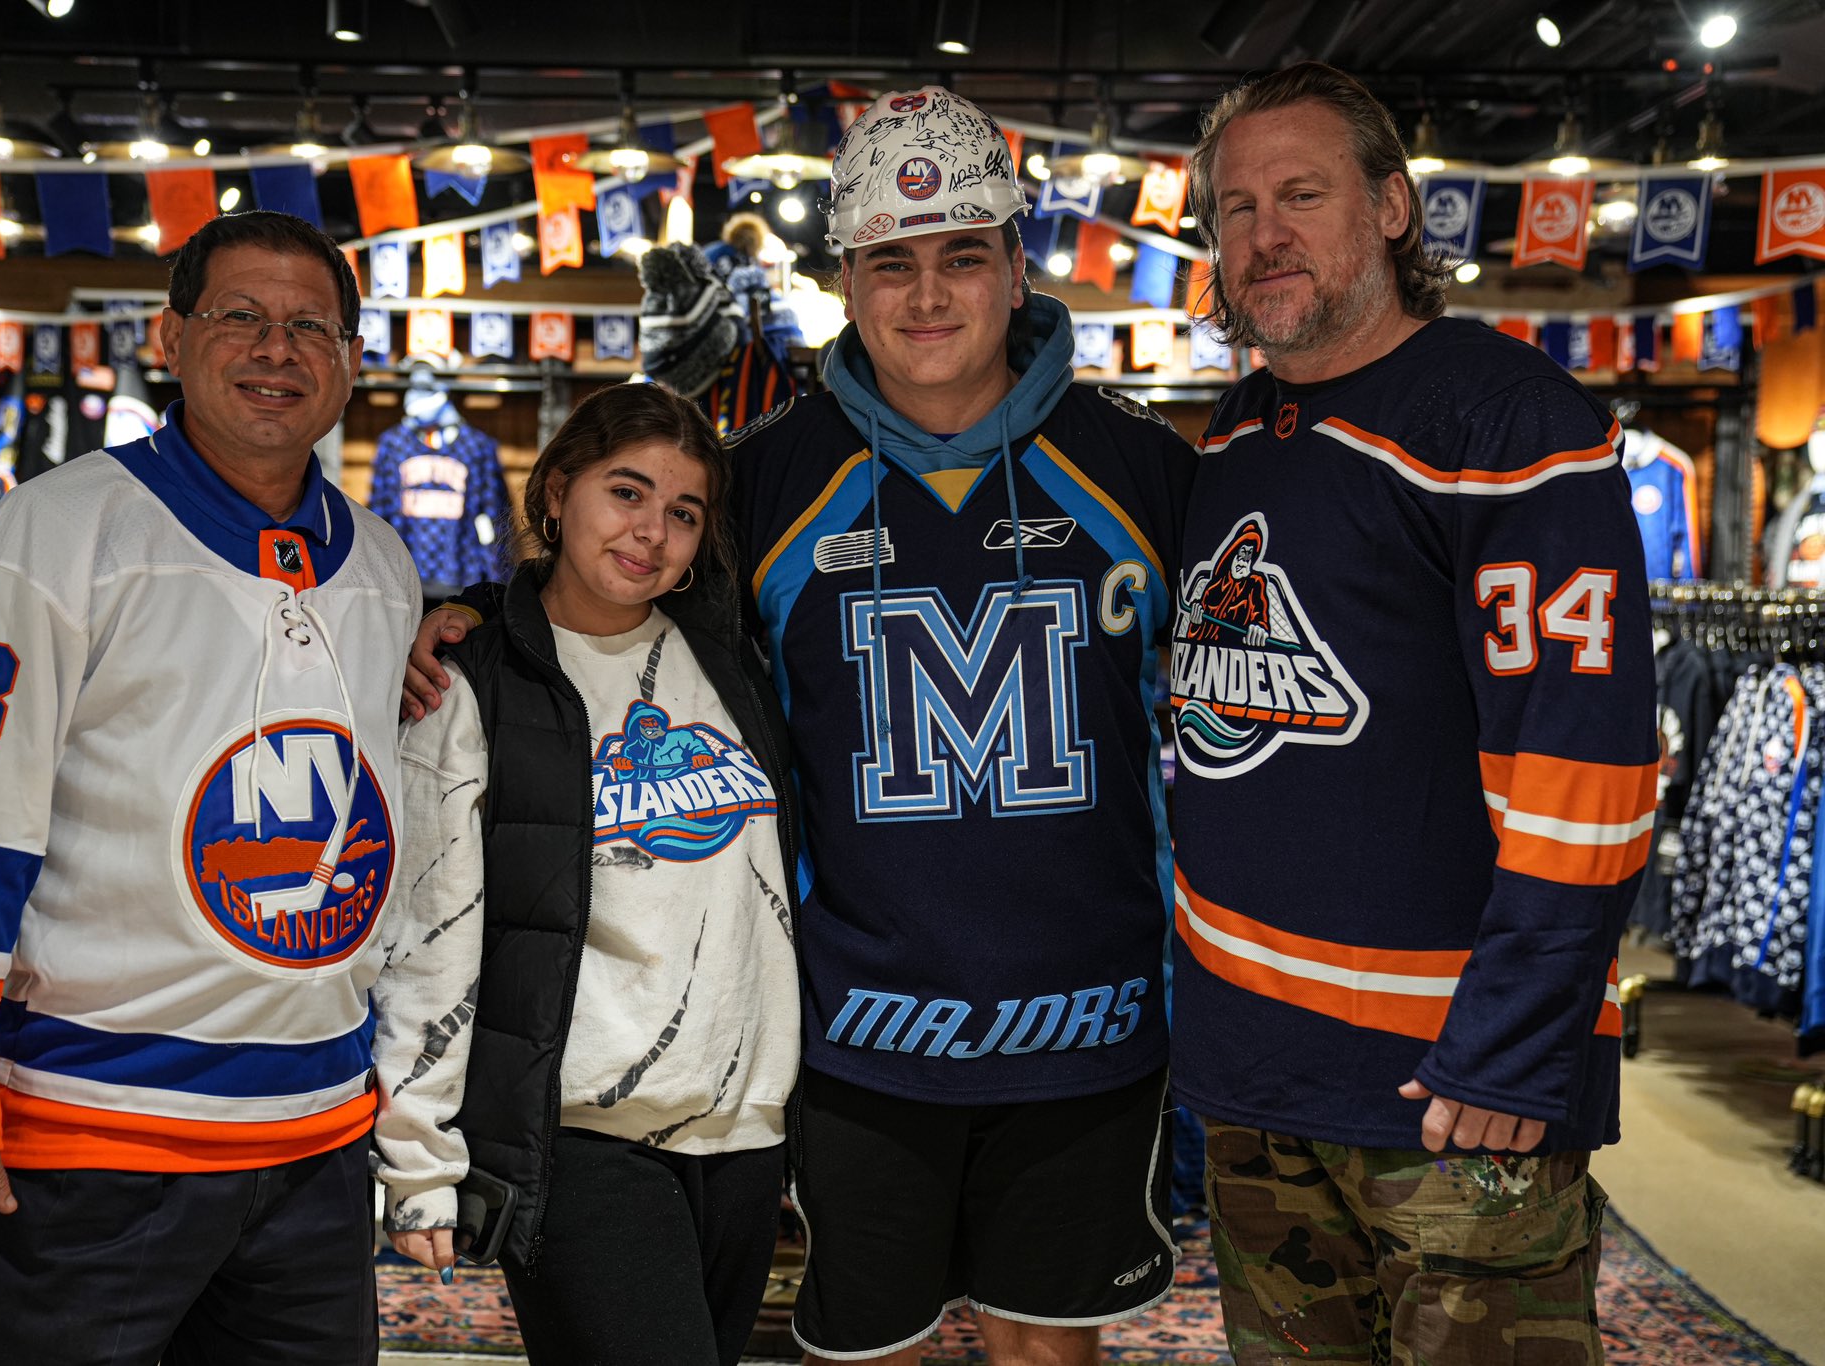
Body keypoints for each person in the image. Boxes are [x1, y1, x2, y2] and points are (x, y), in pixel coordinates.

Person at [407, 85, 1193, 1366]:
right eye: (892, 261)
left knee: (1049, 1346)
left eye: (960, 257)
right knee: (857, 1343)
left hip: (1089, 1035)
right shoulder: (764, 478)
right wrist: (457, 624)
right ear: (843, 276)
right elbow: (610, 601)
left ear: (1016, 262)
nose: (926, 295)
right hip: (852, 1041)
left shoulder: (1146, 472)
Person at [0, 210, 420, 1365]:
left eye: (311, 326)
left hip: (315, 1136)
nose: (277, 349)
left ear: (352, 360)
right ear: (169, 337)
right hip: (96, 1139)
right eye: (240, 318)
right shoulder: (55, 530)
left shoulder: (381, 560)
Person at [1170, 62, 1656, 1363]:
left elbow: (1589, 770)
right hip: (1253, 1075)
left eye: (1302, 194)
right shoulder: (1232, 437)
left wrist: (1512, 1049)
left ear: (1391, 208)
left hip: (1447, 1097)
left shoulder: (1506, 419)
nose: (1262, 234)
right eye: (1234, 208)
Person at [372, 381, 800, 1366]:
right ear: (557, 491)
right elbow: (435, 930)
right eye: (626, 492)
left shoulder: (729, 655)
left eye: (682, 512)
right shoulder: (476, 675)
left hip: (743, 1135)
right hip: (583, 1139)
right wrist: (418, 1154)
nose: (650, 531)